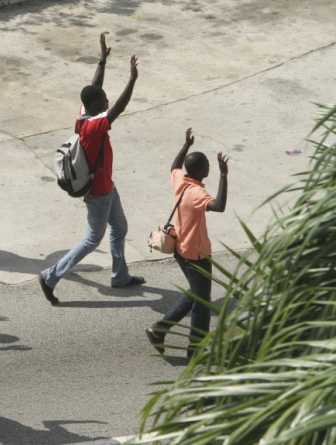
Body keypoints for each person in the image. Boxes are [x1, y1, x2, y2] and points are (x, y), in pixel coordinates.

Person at [39, 32, 144, 305]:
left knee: (120, 227)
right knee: (91, 240)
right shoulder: (94, 127)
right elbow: (116, 110)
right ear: (97, 106)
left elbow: (93, 88)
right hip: (98, 193)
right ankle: (50, 276)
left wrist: (102, 60)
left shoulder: (84, 113)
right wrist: (132, 81)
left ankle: (119, 276)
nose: (107, 100)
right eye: (104, 100)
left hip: (108, 186)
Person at [146, 128, 228, 360]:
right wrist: (223, 175)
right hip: (196, 253)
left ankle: (159, 330)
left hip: (181, 249)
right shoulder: (196, 194)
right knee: (202, 301)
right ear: (201, 171)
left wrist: (186, 146)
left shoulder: (181, 181)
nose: (209, 168)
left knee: (195, 293)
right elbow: (219, 205)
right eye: (208, 167)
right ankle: (195, 350)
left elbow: (174, 167)